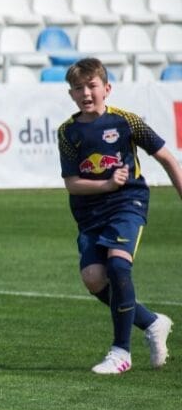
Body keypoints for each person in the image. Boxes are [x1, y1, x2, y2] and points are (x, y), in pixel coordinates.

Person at [56, 57, 181, 375]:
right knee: (94, 279)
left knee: (118, 264)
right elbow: (72, 183)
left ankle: (120, 352)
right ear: (71, 94)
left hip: (128, 203)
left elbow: (167, 157)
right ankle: (152, 323)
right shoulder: (68, 133)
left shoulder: (128, 122)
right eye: (78, 88)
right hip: (89, 213)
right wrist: (107, 182)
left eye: (91, 86)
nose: (86, 93)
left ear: (107, 88)